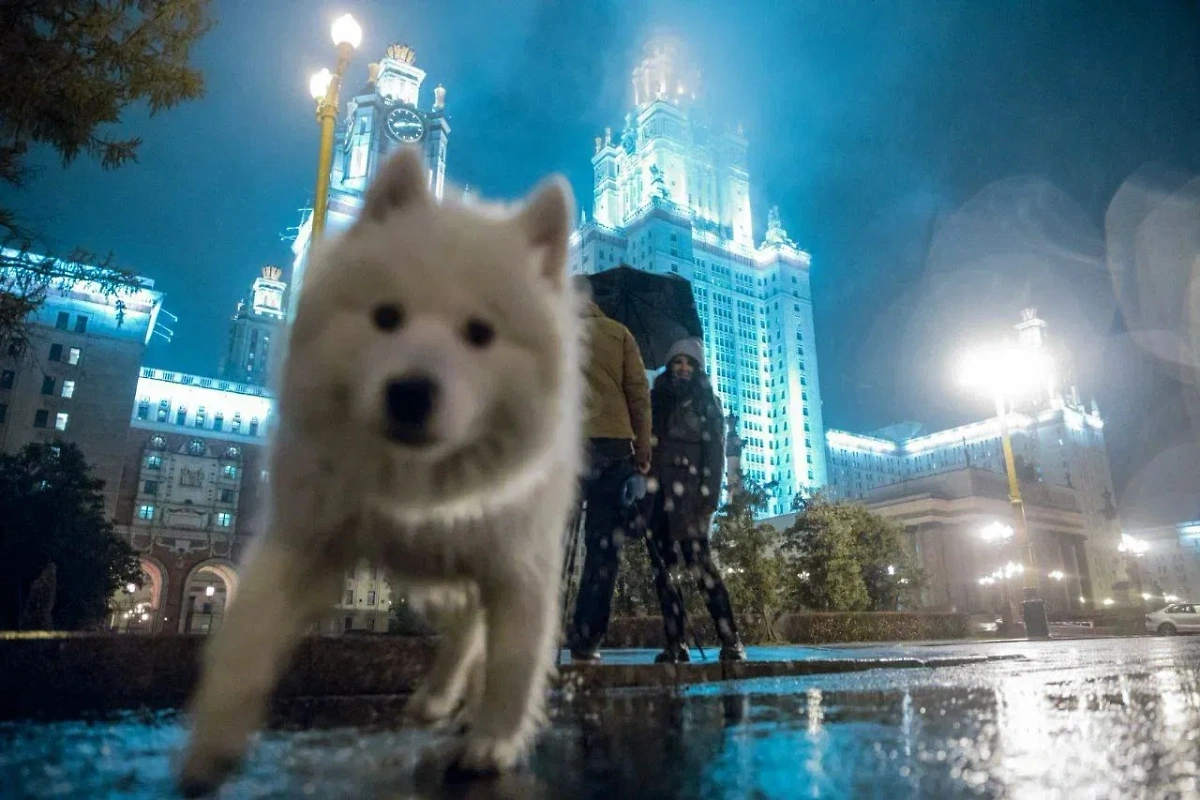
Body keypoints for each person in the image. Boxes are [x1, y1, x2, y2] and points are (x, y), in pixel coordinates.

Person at [646, 337, 746, 663]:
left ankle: (730, 641)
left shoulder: (707, 403)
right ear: (670, 366)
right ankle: (676, 644)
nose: (684, 367)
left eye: (689, 362)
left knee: (703, 570)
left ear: (697, 368)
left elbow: (715, 457)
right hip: (658, 499)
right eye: (678, 362)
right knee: (665, 573)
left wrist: (709, 501)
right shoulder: (655, 401)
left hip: (692, 501)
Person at [567, 288, 652, 662]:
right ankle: (587, 639)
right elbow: (638, 393)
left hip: (566, 446)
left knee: (553, 543)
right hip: (614, 446)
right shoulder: (619, 332)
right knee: (603, 548)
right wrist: (644, 450)